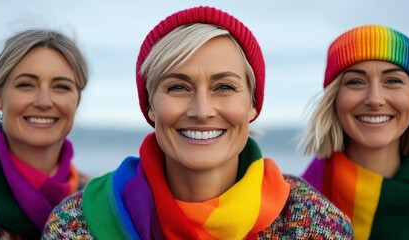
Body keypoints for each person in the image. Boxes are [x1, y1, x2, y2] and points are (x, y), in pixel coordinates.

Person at [42, 6, 352, 239]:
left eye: (225, 87)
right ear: (150, 106)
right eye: (177, 87)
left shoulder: (316, 224)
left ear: (253, 105)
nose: (202, 110)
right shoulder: (77, 224)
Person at [300, 24, 409, 240]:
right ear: (334, 99)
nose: (375, 99)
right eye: (355, 81)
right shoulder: (297, 202)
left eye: (392, 81)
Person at [0, 29, 89, 239]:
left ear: (76, 101)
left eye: (61, 87)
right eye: (26, 85)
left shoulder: (96, 202)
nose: (44, 102)